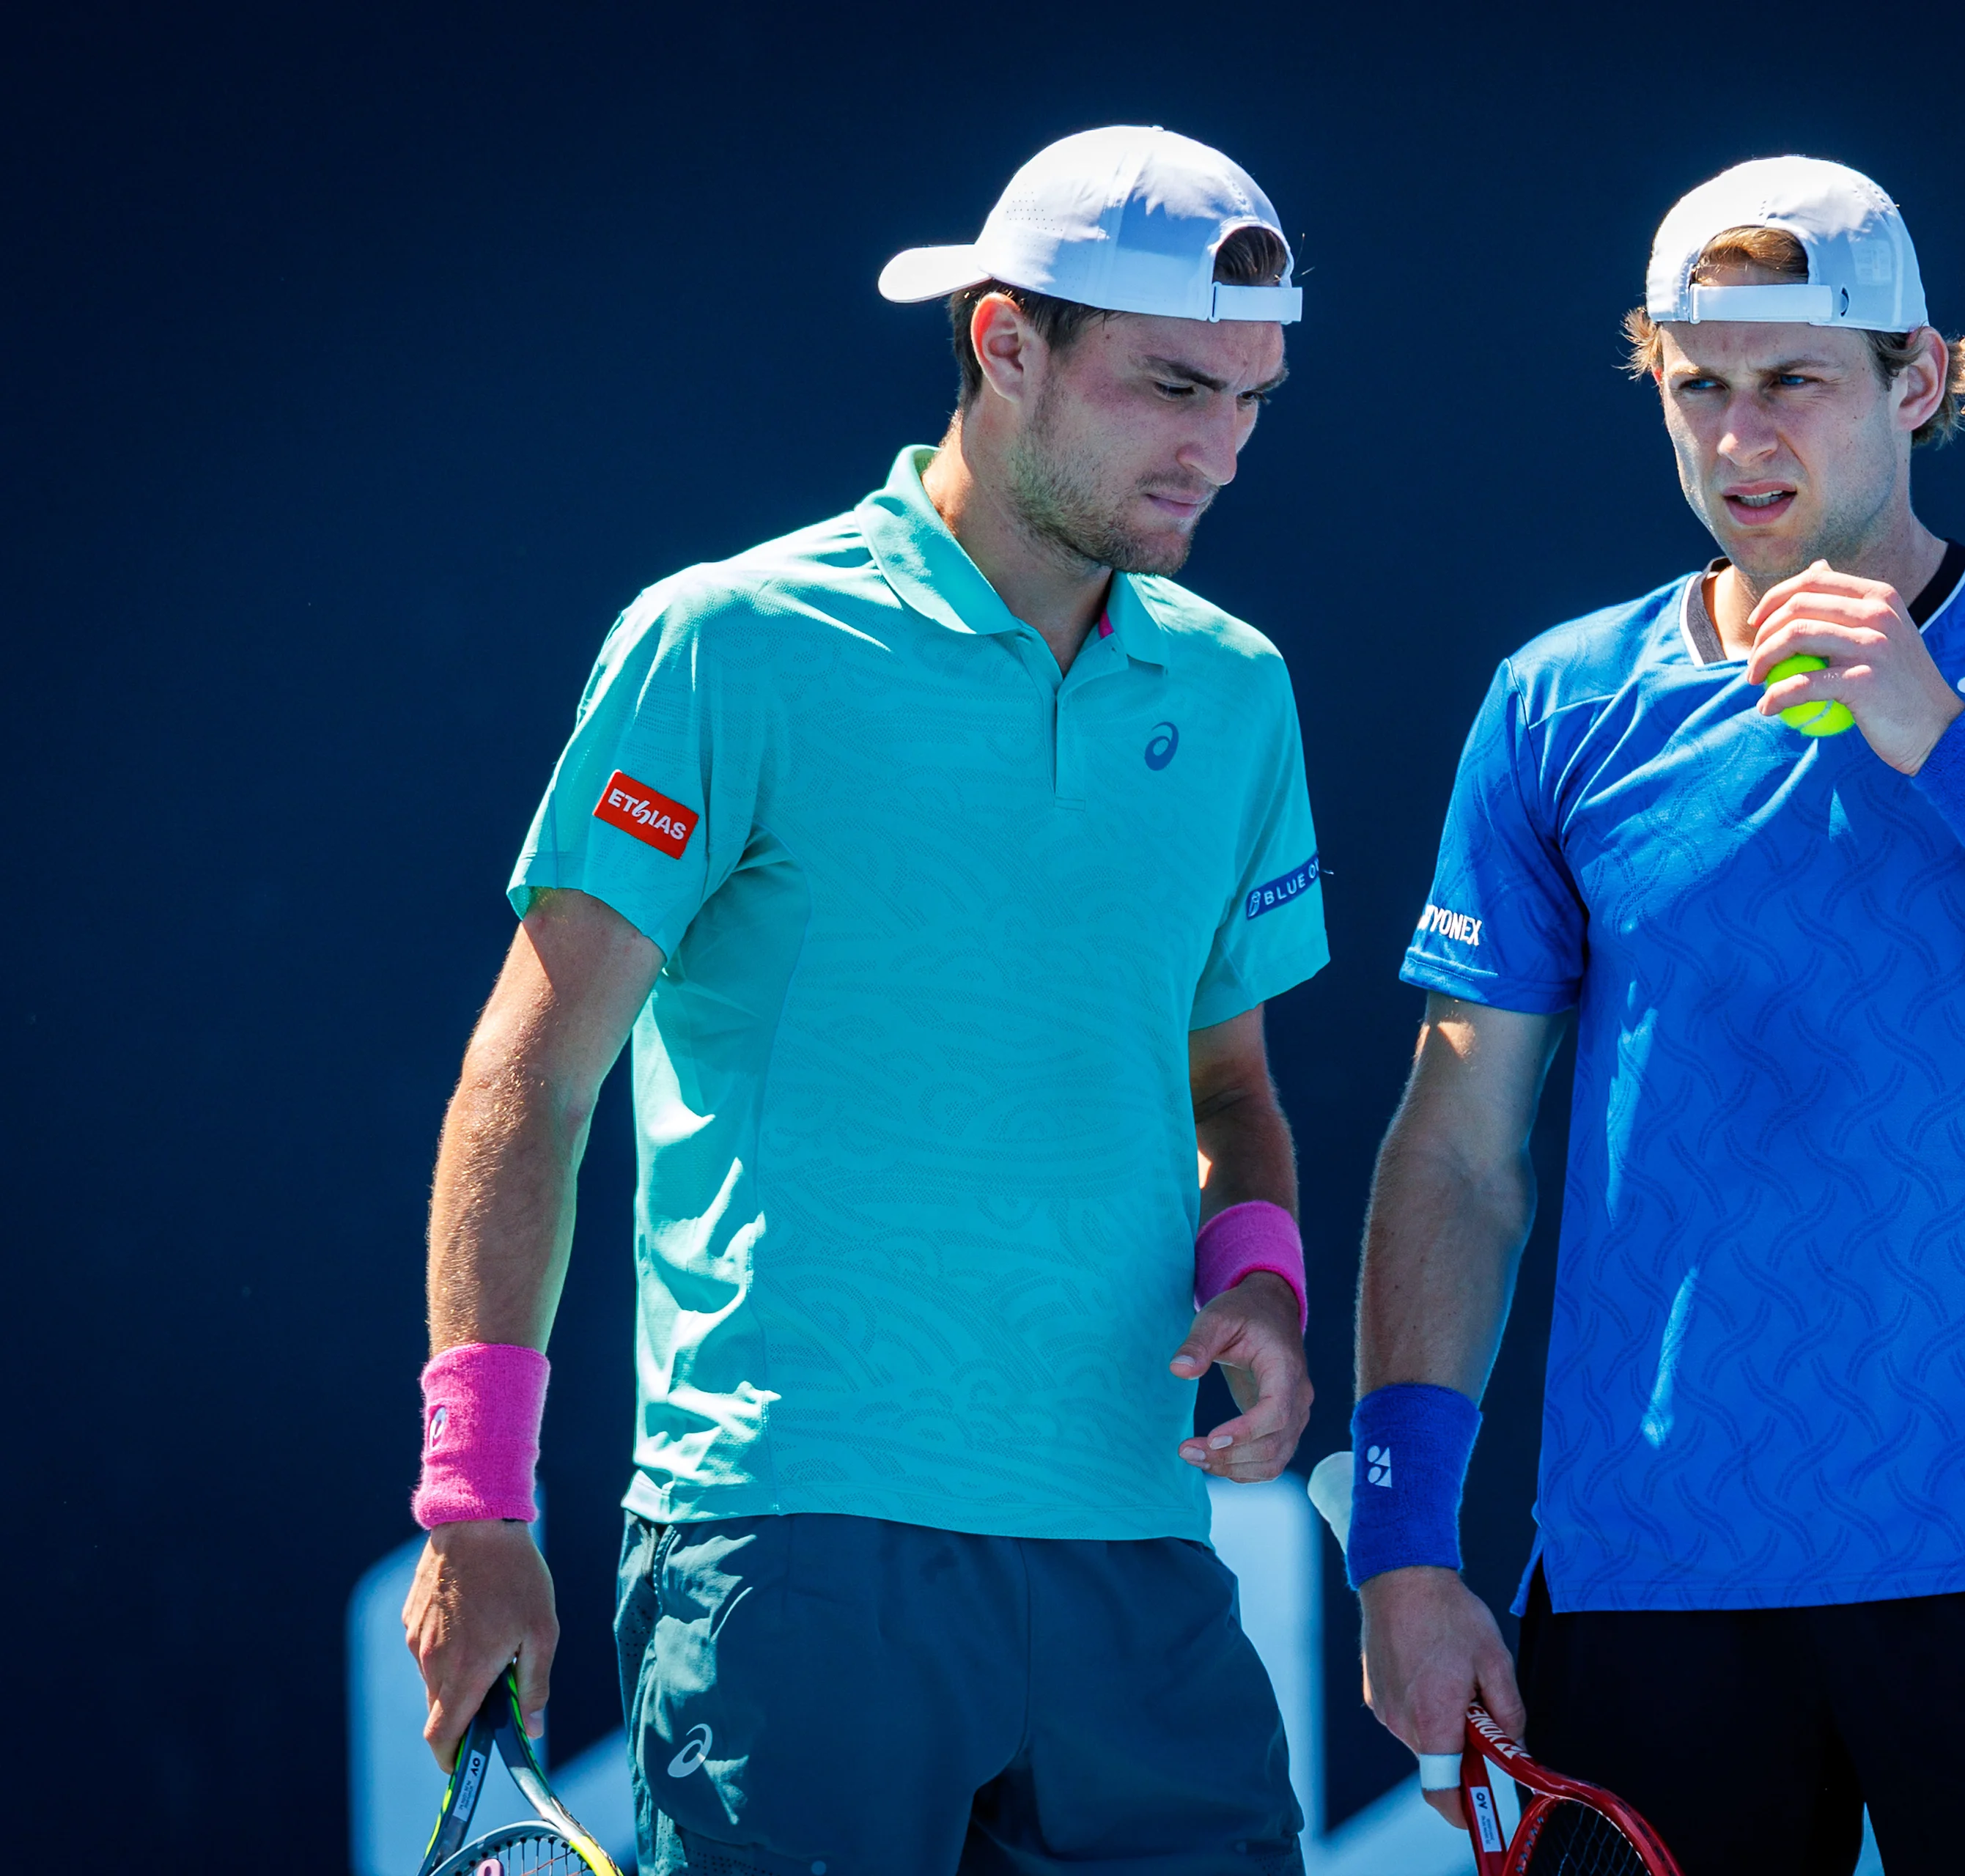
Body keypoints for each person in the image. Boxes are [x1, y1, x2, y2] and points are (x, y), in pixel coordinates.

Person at [399, 127, 1330, 1876]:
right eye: (1172, 387)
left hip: (1135, 1549)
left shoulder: (1236, 692)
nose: (1219, 448)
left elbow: (1229, 1094)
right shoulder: (725, 641)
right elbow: (528, 1078)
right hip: (791, 1545)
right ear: (1004, 345)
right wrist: (475, 1500)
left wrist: (1260, 1281)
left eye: (1254, 402)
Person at [1347, 157, 1965, 1874]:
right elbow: (1461, 1151)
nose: (1739, 439)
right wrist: (1405, 1544)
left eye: (1794, 381)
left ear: (1917, 381)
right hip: (1651, 1597)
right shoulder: (1558, 702)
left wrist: (1946, 737)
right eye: (1698, 387)